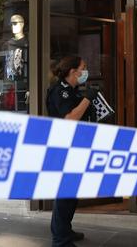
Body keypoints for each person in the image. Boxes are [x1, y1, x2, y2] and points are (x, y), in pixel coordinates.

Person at [46, 55, 98, 247]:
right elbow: (69, 118)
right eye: (83, 68)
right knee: (65, 195)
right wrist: (87, 100)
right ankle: (60, 240)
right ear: (72, 71)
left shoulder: (74, 90)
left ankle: (65, 230)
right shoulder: (60, 91)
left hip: (77, 147)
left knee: (72, 194)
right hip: (63, 149)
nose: (85, 71)